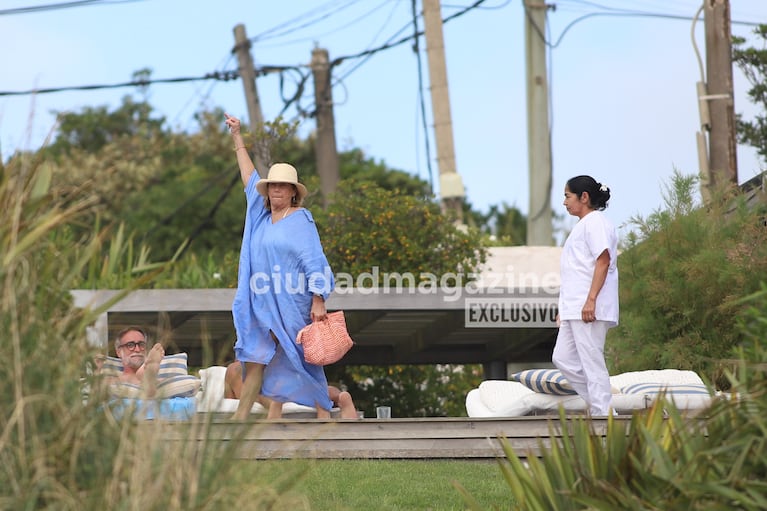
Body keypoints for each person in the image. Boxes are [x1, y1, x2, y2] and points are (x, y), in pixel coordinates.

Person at [225, 113, 336, 420]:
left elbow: (315, 260)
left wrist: (318, 299)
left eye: (283, 187)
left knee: (303, 358)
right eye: (272, 185)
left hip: (292, 301)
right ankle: (241, 416)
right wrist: (237, 136)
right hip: (260, 300)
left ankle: (324, 413)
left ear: (292, 192)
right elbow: (248, 176)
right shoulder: (259, 217)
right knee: (255, 355)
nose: (276, 190)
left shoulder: (301, 220)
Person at [552, 175, 619, 416]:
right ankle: (603, 406)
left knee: (591, 361)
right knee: (562, 358)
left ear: (584, 197)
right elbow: (576, 271)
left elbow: (603, 260)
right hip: (575, 308)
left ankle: (604, 414)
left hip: (591, 306)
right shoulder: (582, 225)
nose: (564, 202)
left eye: (567, 196)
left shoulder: (596, 222)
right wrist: (564, 309)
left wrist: (591, 300)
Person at [223, 361, 359, 418]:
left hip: (264, 396)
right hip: (287, 387)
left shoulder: (232, 370)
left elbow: (228, 403)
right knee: (314, 389)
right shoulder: (268, 360)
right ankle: (339, 396)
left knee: (256, 393)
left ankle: (275, 403)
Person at [104, 326, 165, 398]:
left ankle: (148, 377)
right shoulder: (111, 380)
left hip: (152, 398)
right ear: (119, 352)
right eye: (130, 345)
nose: (137, 349)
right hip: (125, 403)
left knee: (159, 386)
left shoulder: (160, 381)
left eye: (141, 344)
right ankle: (147, 379)